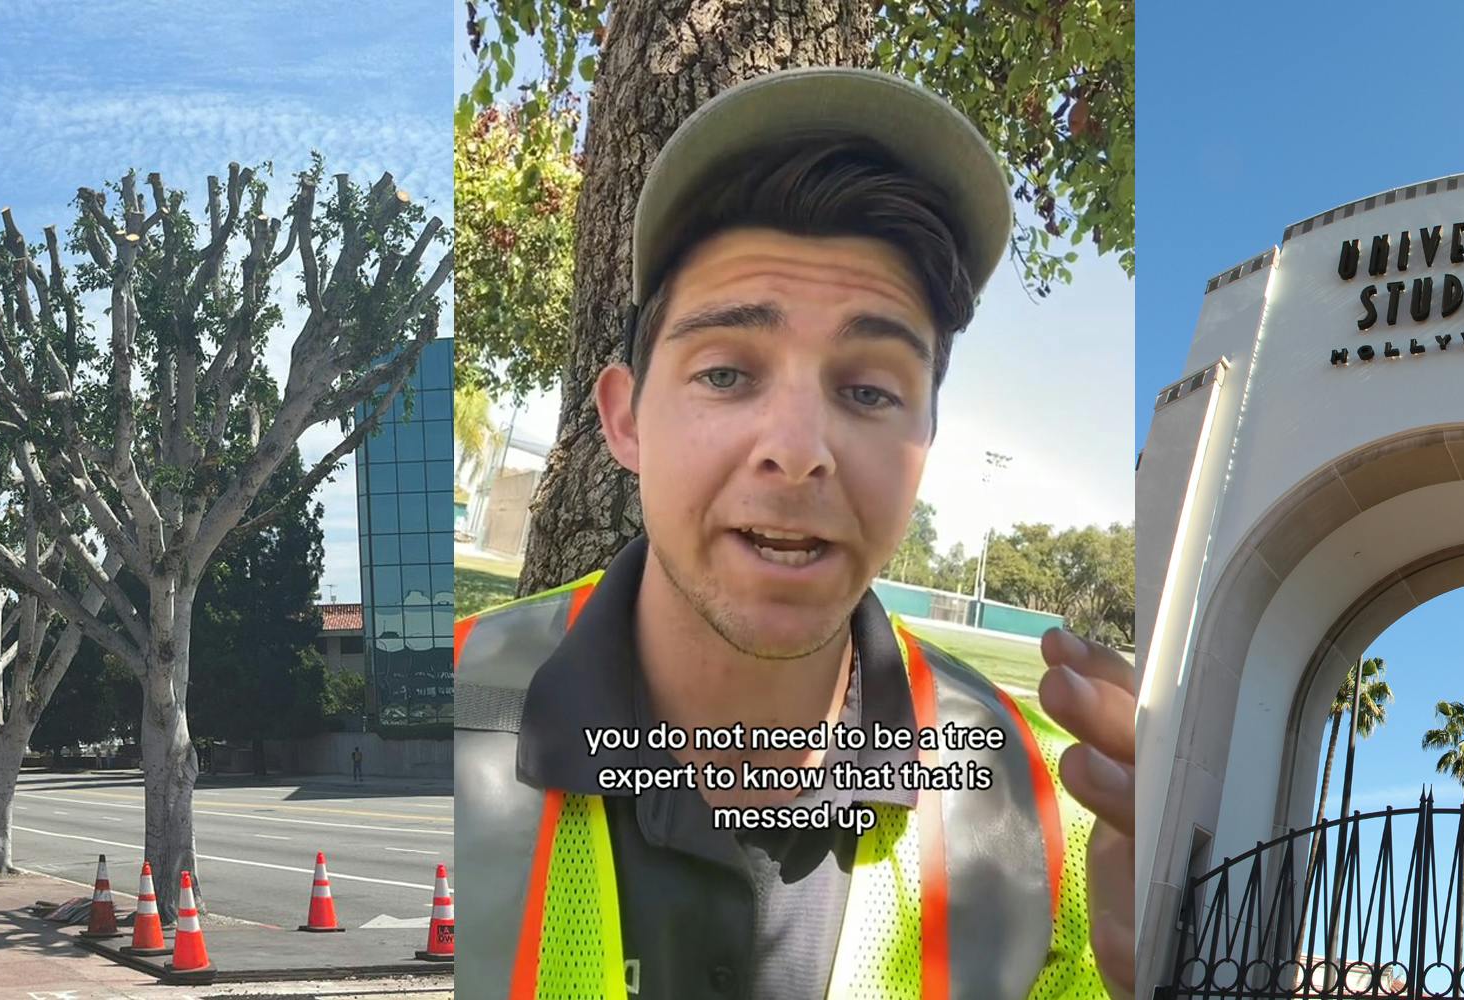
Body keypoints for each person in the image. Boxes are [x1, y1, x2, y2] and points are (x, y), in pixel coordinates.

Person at [455, 66, 1132, 998]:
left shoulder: (1051, 817)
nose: (799, 451)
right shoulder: (435, 717)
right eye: (728, 373)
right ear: (626, 420)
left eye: (867, 390)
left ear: (925, 444)